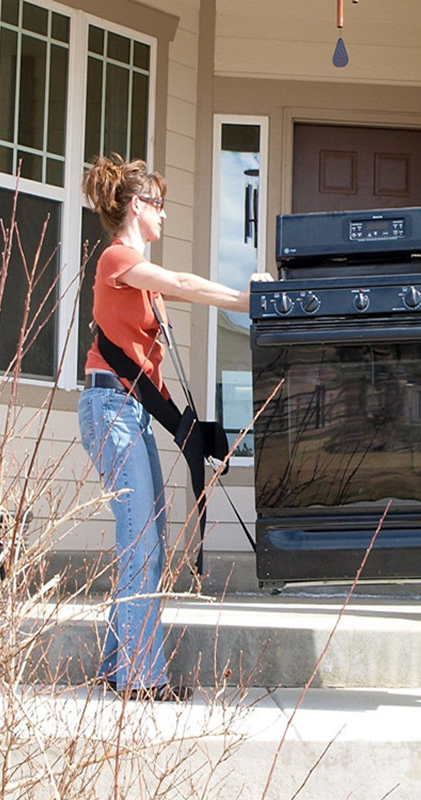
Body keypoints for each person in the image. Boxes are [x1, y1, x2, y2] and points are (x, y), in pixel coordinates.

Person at [79, 154, 272, 701]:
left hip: (127, 410)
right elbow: (185, 281)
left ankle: (120, 666)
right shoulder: (118, 258)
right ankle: (140, 680)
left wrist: (191, 432)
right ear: (137, 207)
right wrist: (245, 299)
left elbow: (146, 368)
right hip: (110, 410)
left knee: (149, 540)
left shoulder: (141, 282)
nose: (164, 215)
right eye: (158, 205)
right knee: (141, 542)